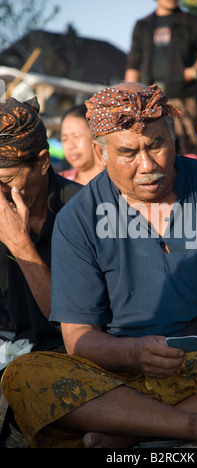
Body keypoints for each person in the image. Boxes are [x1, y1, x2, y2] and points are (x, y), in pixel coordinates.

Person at [1, 82, 197, 449]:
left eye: (156, 145)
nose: (148, 165)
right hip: (130, 374)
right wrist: (134, 353)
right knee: (24, 376)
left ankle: (132, 427)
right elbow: (78, 337)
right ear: (101, 152)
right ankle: (193, 426)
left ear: (173, 137)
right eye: (128, 152)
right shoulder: (77, 218)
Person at [0, 97, 81, 352]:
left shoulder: (84, 211)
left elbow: (73, 324)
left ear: (43, 162)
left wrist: (21, 246)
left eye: (7, 180)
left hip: (73, 354)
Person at [125, 0, 197, 155]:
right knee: (155, 150)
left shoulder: (192, 21)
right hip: (149, 102)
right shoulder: (143, 25)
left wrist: (192, 72)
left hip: (183, 100)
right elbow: (133, 63)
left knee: (187, 151)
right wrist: (129, 96)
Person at [59, 104, 105, 185]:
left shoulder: (119, 183)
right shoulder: (59, 183)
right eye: (64, 139)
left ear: (96, 135)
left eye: (76, 136)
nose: (70, 146)